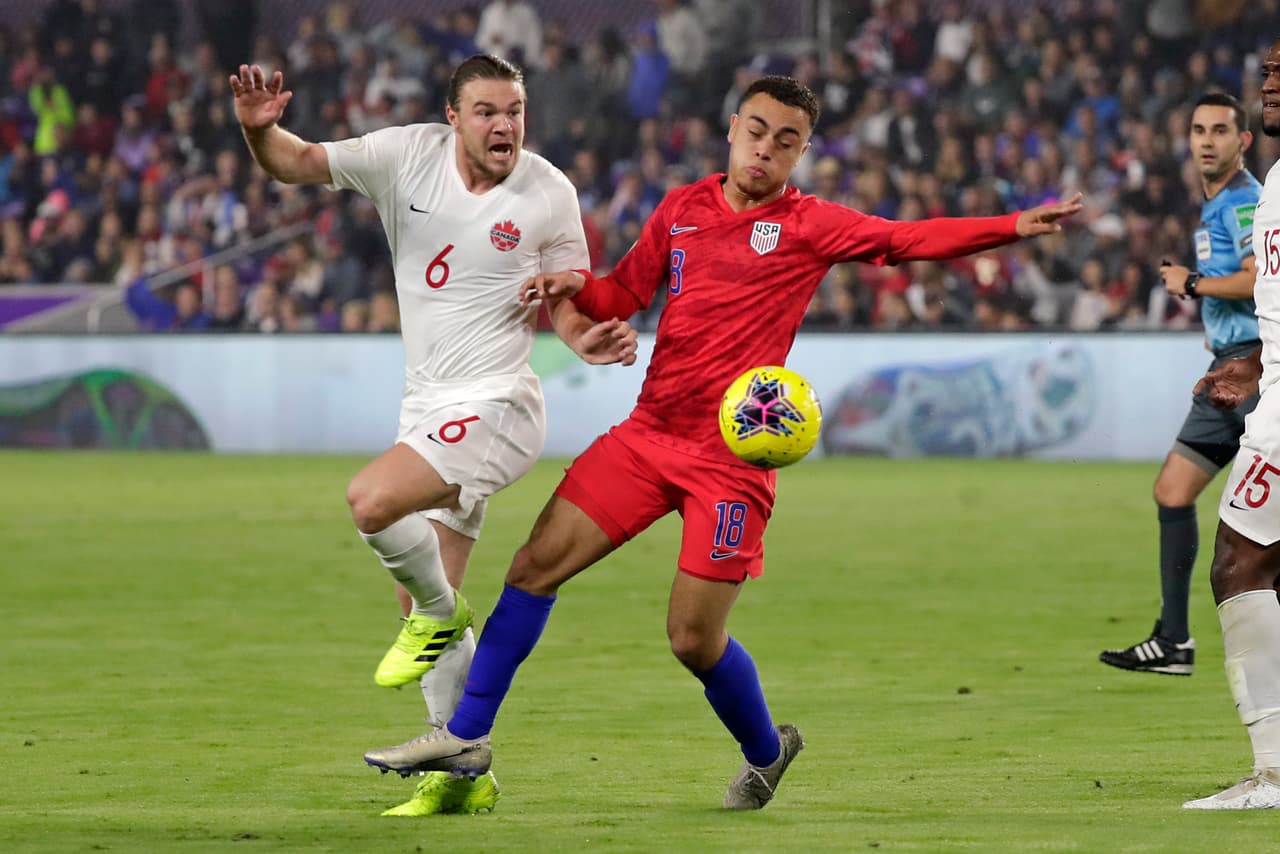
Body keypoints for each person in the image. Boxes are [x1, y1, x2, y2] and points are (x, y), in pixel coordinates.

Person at [362, 75, 1081, 810]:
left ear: (801, 153)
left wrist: (1010, 225)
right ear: (734, 129)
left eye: (786, 141)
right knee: (532, 567)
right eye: (757, 132)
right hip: (649, 436)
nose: (766, 150)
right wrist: (572, 286)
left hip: (731, 466)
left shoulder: (810, 225)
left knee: (692, 639)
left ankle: (768, 751)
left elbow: (904, 240)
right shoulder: (682, 210)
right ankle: (467, 737)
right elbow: (623, 294)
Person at [229, 53, 639, 816]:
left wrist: (586, 339)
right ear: (453, 118)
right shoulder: (403, 156)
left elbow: (566, 299)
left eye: (514, 111)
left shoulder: (549, 192)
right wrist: (259, 132)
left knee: (371, 502)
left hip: (500, 404)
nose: (505, 125)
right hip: (427, 405)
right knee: (415, 592)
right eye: (487, 111)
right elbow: (296, 161)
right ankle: (462, 772)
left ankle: (441, 617)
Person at [1099, 93, 1262, 676]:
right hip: (1229, 366)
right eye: (1198, 130)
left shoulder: (1244, 203)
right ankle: (1173, 641)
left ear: (1243, 141)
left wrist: (1191, 284)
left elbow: (1258, 278)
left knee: (1255, 524)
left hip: (1255, 371)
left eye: (1220, 130)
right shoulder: (1215, 203)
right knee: (1173, 491)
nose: (1207, 141)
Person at [1180, 38, 1280, 809]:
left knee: (1238, 563)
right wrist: (1253, 362)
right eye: (1268, 70)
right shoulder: (1276, 182)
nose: (1269, 83)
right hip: (1272, 384)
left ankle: (1273, 773)